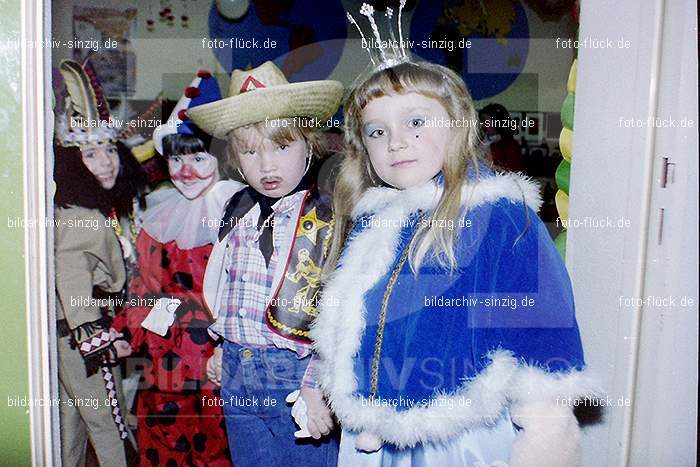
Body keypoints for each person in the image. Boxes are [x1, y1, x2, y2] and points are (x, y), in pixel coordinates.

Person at [312, 60, 600, 466]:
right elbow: (349, 323)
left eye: (416, 121)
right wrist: (322, 383)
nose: (396, 142)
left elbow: (541, 323)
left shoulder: (498, 214)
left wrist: (546, 426)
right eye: (377, 131)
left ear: (457, 124)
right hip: (371, 439)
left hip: (457, 437)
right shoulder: (374, 220)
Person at [186, 61, 343, 467]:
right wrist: (222, 347)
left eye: (281, 146)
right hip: (239, 373)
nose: (267, 165)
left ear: (309, 144)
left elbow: (338, 315)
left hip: (294, 377)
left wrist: (316, 386)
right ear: (236, 159)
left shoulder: (326, 217)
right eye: (251, 151)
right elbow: (229, 287)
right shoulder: (236, 212)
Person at [111, 70, 238, 466]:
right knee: (164, 443)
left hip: (216, 357)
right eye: (176, 158)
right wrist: (124, 334)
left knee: (217, 445)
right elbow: (141, 287)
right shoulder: (160, 213)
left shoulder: (240, 210)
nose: (185, 170)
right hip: (163, 357)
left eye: (199, 157)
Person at [53, 59, 145, 467]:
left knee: (71, 421)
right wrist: (96, 338)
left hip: (71, 338)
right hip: (81, 339)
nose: (106, 162)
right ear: (73, 164)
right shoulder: (81, 218)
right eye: (91, 153)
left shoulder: (97, 209)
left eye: (109, 149)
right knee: (110, 424)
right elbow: (72, 277)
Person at [479, 103, 523, 172]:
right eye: (482, 121)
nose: (482, 125)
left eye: (485, 121)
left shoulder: (510, 145)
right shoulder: (481, 140)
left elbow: (512, 170)